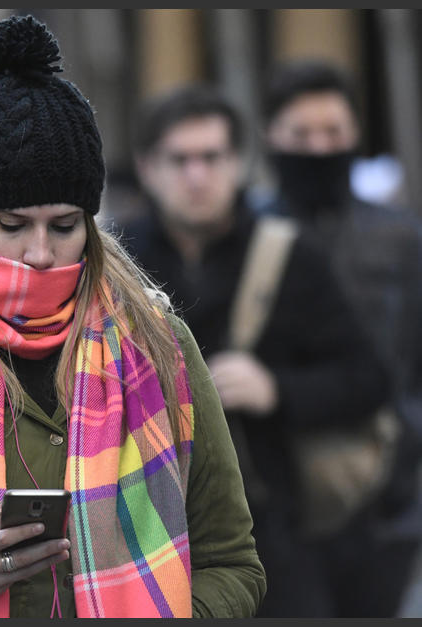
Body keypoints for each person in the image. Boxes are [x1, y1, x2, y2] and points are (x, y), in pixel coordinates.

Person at [0, 15, 265, 619]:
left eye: (63, 227)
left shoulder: (159, 345)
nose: (39, 252)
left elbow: (232, 563)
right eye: (11, 225)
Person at [117, 84, 388, 617]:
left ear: (239, 163)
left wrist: (276, 389)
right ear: (148, 168)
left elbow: (368, 378)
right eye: (180, 159)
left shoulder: (289, 255)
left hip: (280, 533)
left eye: (212, 157)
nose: (197, 176)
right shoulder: (118, 264)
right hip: (147, 531)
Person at [258, 59, 422, 617]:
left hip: (389, 495)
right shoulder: (255, 238)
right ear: (271, 138)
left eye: (333, 133)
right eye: (301, 135)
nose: (319, 148)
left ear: (355, 135)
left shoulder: (400, 238)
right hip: (283, 497)